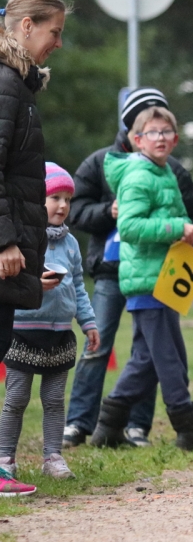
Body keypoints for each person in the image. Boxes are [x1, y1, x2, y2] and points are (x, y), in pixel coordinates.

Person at [63, 87, 193, 449]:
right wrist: (114, 214)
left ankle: (120, 427)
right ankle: (85, 423)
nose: (161, 137)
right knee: (121, 350)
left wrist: (186, 228)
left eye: (166, 130)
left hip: (163, 274)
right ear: (133, 133)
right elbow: (114, 222)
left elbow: (188, 211)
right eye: (151, 130)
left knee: (149, 356)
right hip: (129, 272)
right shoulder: (118, 168)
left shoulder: (169, 170)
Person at [0, 0, 69, 497]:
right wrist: (5, 241)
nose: (58, 44)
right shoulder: (5, 86)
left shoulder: (18, 87)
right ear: (26, 27)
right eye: (54, 32)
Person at [0, 164, 99, 482]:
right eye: (55, 197)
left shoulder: (70, 244)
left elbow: (79, 288)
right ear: (36, 200)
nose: (62, 206)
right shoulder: (23, 239)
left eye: (68, 199)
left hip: (58, 334)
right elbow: (11, 281)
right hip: (23, 332)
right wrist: (33, 284)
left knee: (55, 400)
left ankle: (53, 457)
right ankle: (5, 457)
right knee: (16, 398)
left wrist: (88, 322)